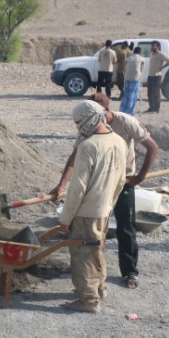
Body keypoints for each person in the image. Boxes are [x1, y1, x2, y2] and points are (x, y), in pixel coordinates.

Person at [52, 93, 159, 291]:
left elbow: (152, 147)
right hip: (100, 182)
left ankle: (129, 271)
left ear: (106, 111)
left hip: (123, 181)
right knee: (93, 227)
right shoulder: (88, 126)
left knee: (125, 227)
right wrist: (61, 185)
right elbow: (74, 158)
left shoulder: (125, 122)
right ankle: (88, 268)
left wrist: (138, 178)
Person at [58, 100, 127, 313]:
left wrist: (65, 218)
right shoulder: (119, 141)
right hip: (104, 209)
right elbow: (121, 181)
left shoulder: (88, 147)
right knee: (97, 250)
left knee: (82, 254)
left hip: (86, 211)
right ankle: (100, 288)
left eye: (79, 123)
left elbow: (77, 189)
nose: (78, 127)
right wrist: (109, 205)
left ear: (89, 119)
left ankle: (88, 300)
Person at [146, 40, 169, 113]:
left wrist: (162, 68)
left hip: (157, 76)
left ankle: (157, 108)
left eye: (153, 46)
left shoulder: (160, 54)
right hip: (150, 76)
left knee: (156, 93)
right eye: (151, 46)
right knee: (149, 93)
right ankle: (151, 107)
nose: (152, 47)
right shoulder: (152, 54)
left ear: (157, 47)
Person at [119, 47, 145, 116]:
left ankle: (123, 109)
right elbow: (142, 70)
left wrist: (125, 77)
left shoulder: (129, 58)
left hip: (127, 78)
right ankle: (130, 112)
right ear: (140, 52)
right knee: (133, 96)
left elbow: (124, 69)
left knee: (126, 95)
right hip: (135, 79)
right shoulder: (142, 59)